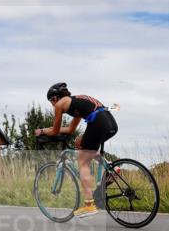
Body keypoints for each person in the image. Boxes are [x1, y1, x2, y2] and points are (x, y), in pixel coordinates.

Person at [35, 82, 117, 217]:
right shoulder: (75, 103)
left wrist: (43, 131)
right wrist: (50, 131)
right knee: (80, 142)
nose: (52, 105)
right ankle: (109, 167)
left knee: (82, 162)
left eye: (51, 101)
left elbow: (55, 131)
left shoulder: (60, 104)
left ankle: (89, 205)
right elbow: (70, 129)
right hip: (109, 122)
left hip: (98, 122)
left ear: (54, 98)